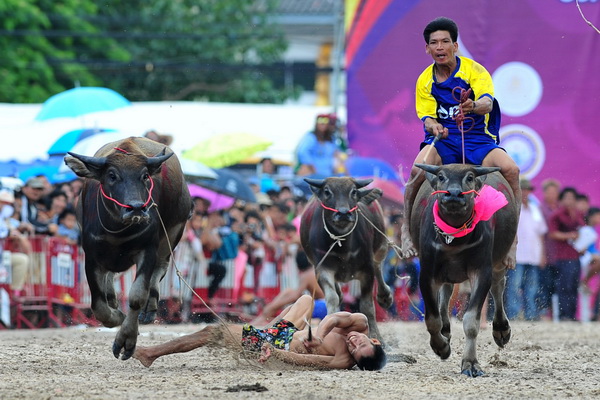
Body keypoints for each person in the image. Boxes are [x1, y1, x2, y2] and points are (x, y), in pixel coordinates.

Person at [401, 17, 521, 267]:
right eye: (434, 43)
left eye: (445, 41)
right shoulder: (424, 80)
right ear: (427, 49)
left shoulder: (474, 71)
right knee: (415, 171)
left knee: (511, 169)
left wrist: (474, 106)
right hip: (444, 140)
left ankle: (513, 240)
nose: (440, 47)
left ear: (455, 46)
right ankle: (406, 231)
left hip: (477, 139)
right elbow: (427, 118)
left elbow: (488, 102)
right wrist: (434, 126)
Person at [133, 294, 386, 371]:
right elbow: (334, 318)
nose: (354, 342)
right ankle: (269, 328)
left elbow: (307, 360)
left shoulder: (343, 361)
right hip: (287, 331)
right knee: (306, 299)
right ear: (373, 339)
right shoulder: (360, 323)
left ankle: (151, 353)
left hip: (279, 344)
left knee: (212, 332)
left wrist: (274, 351)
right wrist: (318, 334)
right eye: (361, 342)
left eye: (355, 349)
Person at [504, 179, 547, 321]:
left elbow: (541, 234)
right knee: (514, 287)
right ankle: (514, 315)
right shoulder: (513, 207)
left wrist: (542, 255)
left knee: (532, 288)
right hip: (518, 254)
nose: (525, 192)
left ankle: (530, 315)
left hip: (533, 255)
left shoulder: (535, 209)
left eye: (528, 189)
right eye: (523, 189)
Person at [548, 187, 585, 321]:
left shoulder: (579, 214)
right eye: (567, 198)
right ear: (561, 200)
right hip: (563, 256)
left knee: (574, 285)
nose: (569, 201)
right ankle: (564, 316)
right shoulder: (557, 215)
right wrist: (569, 235)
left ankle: (572, 315)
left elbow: (583, 231)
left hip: (576, 255)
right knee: (564, 286)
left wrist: (583, 244)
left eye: (572, 198)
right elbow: (553, 233)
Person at [537, 178, 561, 319]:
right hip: (545, 251)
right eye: (550, 191)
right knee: (544, 285)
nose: (552, 194)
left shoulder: (561, 209)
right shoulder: (539, 209)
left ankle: (555, 314)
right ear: (544, 193)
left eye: (555, 192)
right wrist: (542, 254)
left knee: (557, 286)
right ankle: (543, 312)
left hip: (560, 254)